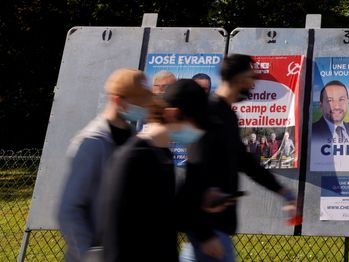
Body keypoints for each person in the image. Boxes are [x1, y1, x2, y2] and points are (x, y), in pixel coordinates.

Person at [181, 54, 296, 262]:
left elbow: (244, 160)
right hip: (209, 230)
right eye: (251, 77)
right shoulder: (209, 113)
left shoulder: (227, 115)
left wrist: (282, 190)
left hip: (217, 229)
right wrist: (204, 234)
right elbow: (194, 173)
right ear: (240, 77)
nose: (253, 84)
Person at [101, 79, 208, 262]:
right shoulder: (132, 157)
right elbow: (115, 235)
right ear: (172, 114)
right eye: (197, 123)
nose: (199, 132)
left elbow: (167, 218)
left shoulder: (163, 155)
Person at [58, 68, 152, 262]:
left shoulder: (134, 140)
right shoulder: (92, 143)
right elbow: (70, 209)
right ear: (118, 100)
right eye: (138, 103)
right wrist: (90, 254)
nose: (143, 108)